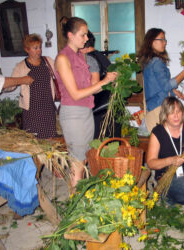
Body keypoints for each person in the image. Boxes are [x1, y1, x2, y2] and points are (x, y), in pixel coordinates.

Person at [55, 17, 117, 187]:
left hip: (86, 112)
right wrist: (103, 82)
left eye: (86, 35)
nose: (86, 39)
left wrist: (108, 81)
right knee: (78, 163)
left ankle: (81, 201)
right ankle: (74, 207)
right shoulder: (63, 58)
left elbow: (93, 89)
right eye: (82, 35)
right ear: (70, 35)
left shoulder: (81, 57)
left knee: (84, 158)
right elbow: (74, 94)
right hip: (73, 114)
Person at [138, 28, 184, 132]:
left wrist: (173, 92)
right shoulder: (156, 62)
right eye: (161, 39)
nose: (164, 43)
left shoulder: (149, 61)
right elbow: (166, 86)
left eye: (165, 40)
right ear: (151, 41)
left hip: (154, 106)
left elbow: (157, 86)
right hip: (159, 108)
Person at [11, 34, 58, 139]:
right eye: (35, 48)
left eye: (40, 47)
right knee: (34, 138)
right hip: (32, 109)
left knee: (50, 136)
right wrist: (1, 86)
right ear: (27, 49)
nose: (39, 51)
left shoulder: (48, 61)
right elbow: (12, 83)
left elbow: (60, 74)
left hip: (47, 106)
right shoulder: (21, 67)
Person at [80, 31, 120, 138]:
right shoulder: (102, 57)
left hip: (98, 111)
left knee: (97, 149)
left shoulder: (88, 59)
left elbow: (94, 86)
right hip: (112, 108)